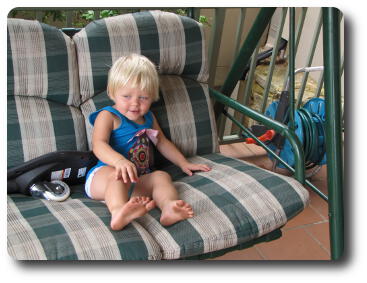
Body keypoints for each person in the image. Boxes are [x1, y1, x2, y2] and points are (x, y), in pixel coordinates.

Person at [85, 54, 211, 231]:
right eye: (126, 96)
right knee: (117, 175)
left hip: (137, 181)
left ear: (152, 97)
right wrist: (119, 162)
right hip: (102, 179)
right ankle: (118, 212)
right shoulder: (108, 116)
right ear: (112, 93)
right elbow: (99, 145)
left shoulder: (149, 118)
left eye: (143, 97)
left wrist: (184, 163)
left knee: (161, 176)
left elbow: (162, 142)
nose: (135, 104)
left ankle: (169, 207)